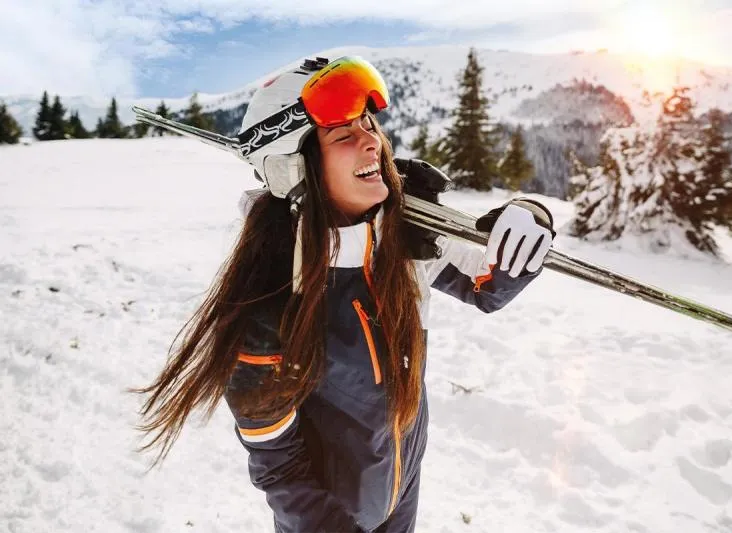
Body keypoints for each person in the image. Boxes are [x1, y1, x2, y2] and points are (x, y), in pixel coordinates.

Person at [133, 55, 555, 533]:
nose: (372, 142)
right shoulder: (269, 306)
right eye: (344, 136)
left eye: (368, 126)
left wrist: (529, 218)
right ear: (296, 169)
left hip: (401, 488)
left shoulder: (402, 243)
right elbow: (279, 469)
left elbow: (490, 286)